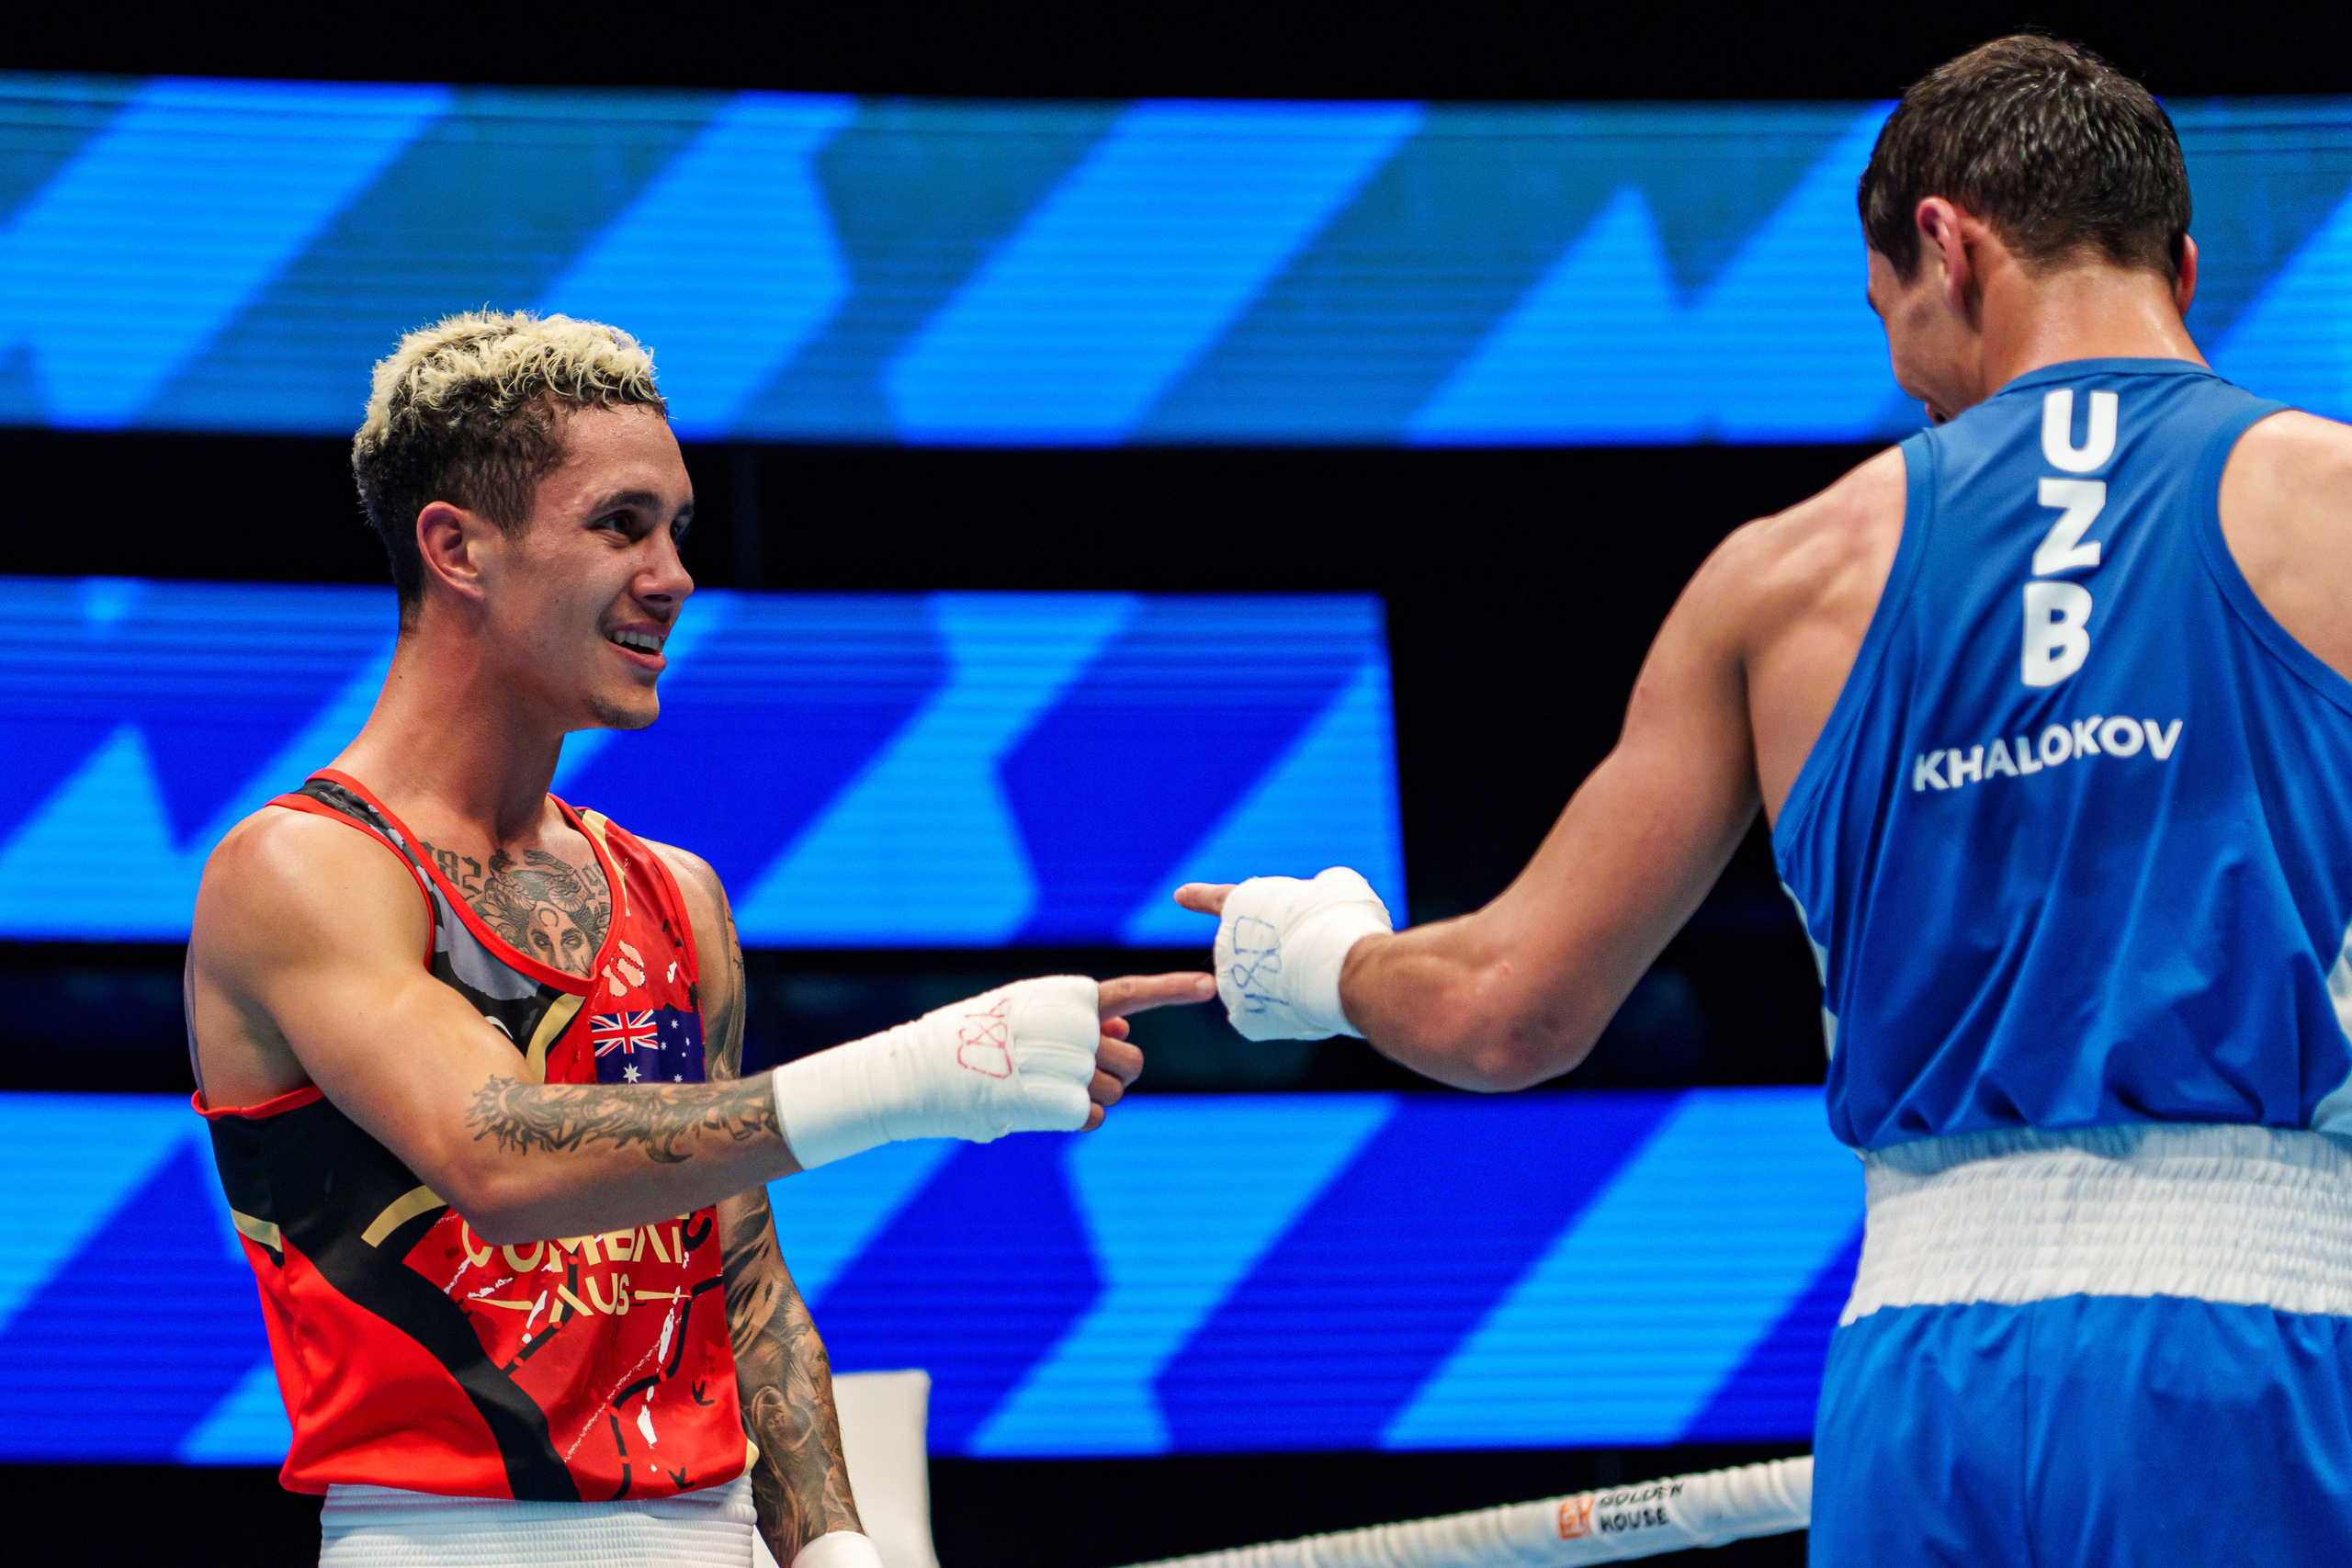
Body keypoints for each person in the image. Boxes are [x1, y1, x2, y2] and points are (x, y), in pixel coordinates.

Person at [1179, 35, 2352, 1565]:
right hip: (2260, 1352)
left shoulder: (1784, 579)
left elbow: (1507, 1009)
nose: (1905, 381)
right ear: (2182, 270)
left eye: (1884, 321)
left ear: (1945, 243)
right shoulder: (2330, 510)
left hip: (1921, 1380)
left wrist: (1315, 960)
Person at [185, 310, 1211, 1568]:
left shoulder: (677, 897)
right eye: (621, 525)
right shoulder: (301, 870)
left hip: (714, 1535)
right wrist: (927, 1072)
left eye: (678, 529)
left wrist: (837, 1550)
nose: (673, 574)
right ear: (457, 547)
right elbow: (497, 1157)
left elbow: (740, 1275)